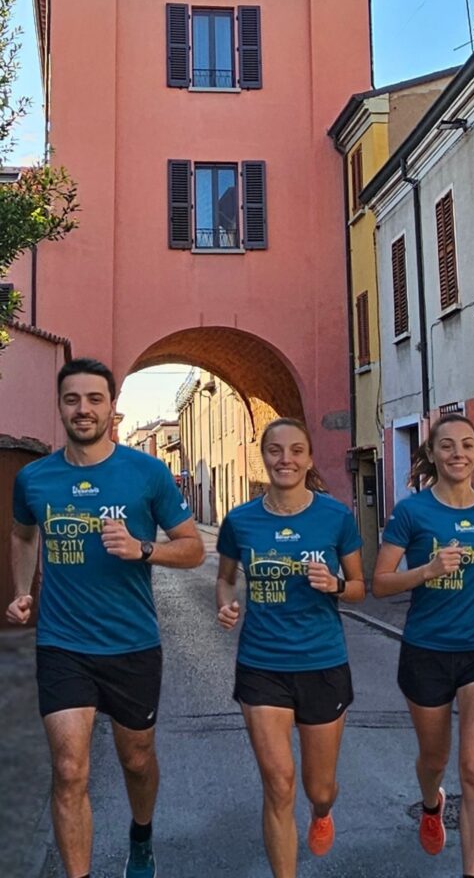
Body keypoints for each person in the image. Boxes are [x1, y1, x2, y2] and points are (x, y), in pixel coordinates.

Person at [5, 358, 205, 878]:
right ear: (60, 406)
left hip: (132, 643)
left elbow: (193, 548)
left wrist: (144, 549)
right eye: (72, 399)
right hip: (62, 644)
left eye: (94, 399)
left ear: (112, 407)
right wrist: (23, 591)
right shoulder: (34, 479)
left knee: (136, 759)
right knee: (69, 769)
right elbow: (23, 535)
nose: (83, 409)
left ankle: (141, 835)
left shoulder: (147, 473)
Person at [372, 413, 474, 878]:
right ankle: (430, 803)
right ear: (433, 454)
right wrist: (428, 570)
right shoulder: (412, 513)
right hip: (427, 649)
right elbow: (380, 583)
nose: (459, 453)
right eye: (448, 445)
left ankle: (471, 872)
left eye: (467, 444)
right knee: (434, 759)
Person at [216, 417, 364, 878]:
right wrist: (226, 605)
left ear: (309, 458)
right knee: (279, 785)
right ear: (263, 457)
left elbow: (360, 587)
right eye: (275, 450)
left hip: (323, 663)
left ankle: (322, 812)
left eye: (296, 450)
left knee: (320, 788)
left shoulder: (335, 517)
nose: (286, 459)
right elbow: (224, 579)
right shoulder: (240, 521)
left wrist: (336, 585)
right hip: (261, 665)